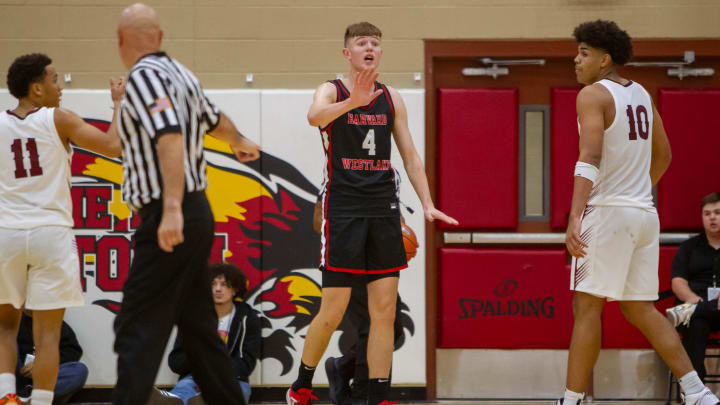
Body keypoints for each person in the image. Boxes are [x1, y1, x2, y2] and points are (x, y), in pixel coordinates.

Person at [286, 22, 457, 405]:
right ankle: (300, 386)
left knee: (384, 311)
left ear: (380, 53)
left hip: (383, 208)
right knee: (332, 311)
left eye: (375, 43)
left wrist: (427, 203)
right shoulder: (331, 90)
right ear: (347, 53)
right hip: (343, 208)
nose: (369, 47)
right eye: (361, 43)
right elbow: (315, 117)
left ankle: (379, 395)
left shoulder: (392, 97)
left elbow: (411, 156)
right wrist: (353, 101)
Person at [559, 20, 719, 405]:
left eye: (583, 52)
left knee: (586, 308)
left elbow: (590, 156)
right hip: (645, 215)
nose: (575, 59)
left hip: (610, 213)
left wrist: (575, 215)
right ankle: (698, 393)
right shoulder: (643, 94)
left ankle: (572, 399)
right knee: (640, 309)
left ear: (604, 59)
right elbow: (664, 155)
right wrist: (637, 191)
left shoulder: (593, 95)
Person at [111, 4, 261, 405]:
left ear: (120, 41)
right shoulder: (183, 75)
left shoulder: (142, 78)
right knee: (198, 329)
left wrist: (172, 207)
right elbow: (215, 120)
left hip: (169, 210)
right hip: (198, 212)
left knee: (136, 326)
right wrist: (240, 141)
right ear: (159, 38)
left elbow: (170, 137)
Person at [0, 52, 124, 405]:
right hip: (49, 233)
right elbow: (114, 147)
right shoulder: (58, 119)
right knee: (48, 335)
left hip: (6, 232)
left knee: (5, 327)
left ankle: (6, 398)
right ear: (36, 88)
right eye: (55, 80)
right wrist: (118, 104)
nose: (61, 86)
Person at [167, 263, 261, 405]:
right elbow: (176, 361)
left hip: (233, 380)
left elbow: (246, 364)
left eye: (224, 284)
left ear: (235, 289)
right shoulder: (193, 317)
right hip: (194, 378)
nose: (218, 289)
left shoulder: (248, 318)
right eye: (213, 284)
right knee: (181, 395)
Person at [666, 192, 720, 382]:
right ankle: (697, 391)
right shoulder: (689, 248)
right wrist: (695, 300)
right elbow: (678, 282)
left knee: (694, 315)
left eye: (717, 212)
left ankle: (692, 310)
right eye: (707, 213)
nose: (712, 217)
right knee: (694, 326)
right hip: (696, 306)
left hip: (710, 309)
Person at [15, 311, 88, 405]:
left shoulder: (56, 324)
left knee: (80, 370)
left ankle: (32, 396)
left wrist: (43, 364)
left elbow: (73, 352)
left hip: (47, 379)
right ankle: (14, 395)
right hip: (17, 377)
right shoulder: (13, 322)